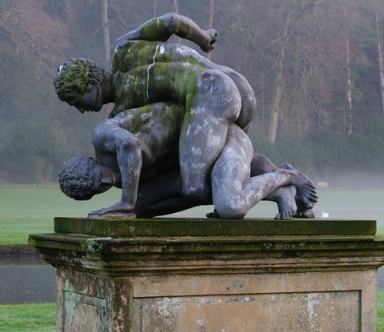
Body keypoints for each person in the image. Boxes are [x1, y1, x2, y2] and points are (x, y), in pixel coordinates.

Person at [54, 12, 257, 204]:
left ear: (90, 84)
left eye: (77, 102)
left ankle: (269, 185)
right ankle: (279, 185)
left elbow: (170, 21)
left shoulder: (126, 108)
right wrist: (202, 38)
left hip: (212, 95)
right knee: (222, 161)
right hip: (238, 86)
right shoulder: (122, 48)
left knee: (196, 187)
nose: (81, 110)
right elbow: (171, 21)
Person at [58, 102, 316, 219]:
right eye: (98, 188)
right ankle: (281, 191)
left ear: (93, 161)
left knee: (230, 207)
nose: (105, 181)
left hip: (221, 135)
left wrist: (127, 201)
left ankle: (287, 175)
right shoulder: (128, 182)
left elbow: (129, 145)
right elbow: (178, 191)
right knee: (144, 207)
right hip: (215, 159)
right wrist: (131, 209)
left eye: (98, 175)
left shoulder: (104, 137)